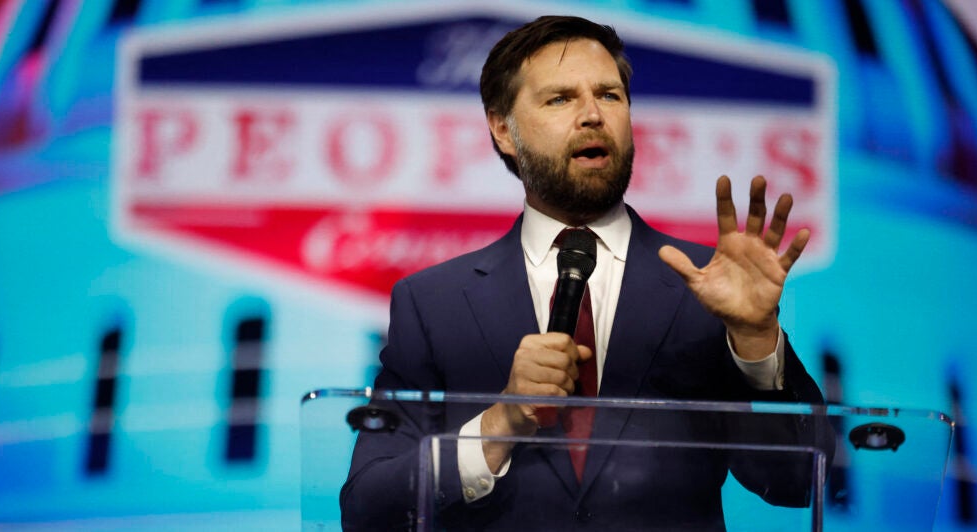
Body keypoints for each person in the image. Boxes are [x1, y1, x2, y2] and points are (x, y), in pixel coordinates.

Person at [341, 15, 832, 530]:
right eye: (561, 99)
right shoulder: (433, 303)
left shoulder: (706, 288)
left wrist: (755, 340)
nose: (593, 115)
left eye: (610, 95)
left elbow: (798, 482)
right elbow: (368, 508)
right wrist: (498, 423)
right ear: (503, 129)